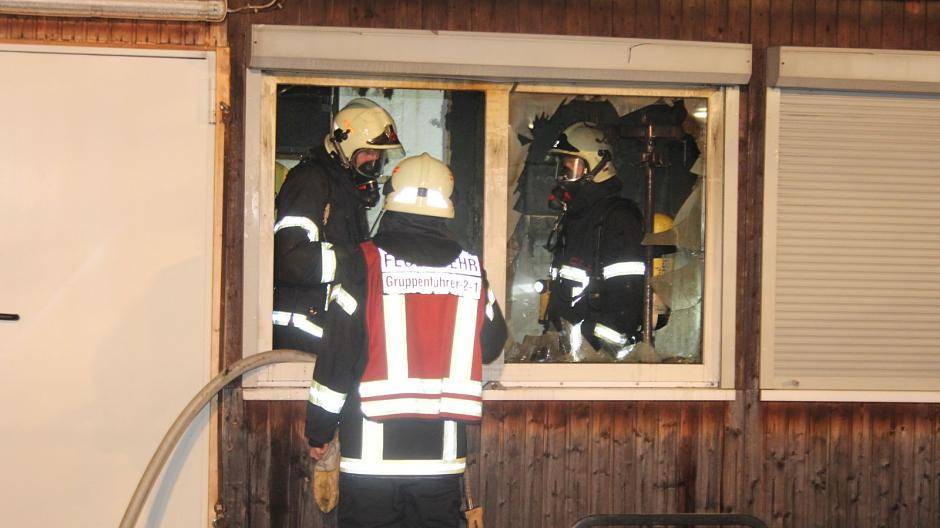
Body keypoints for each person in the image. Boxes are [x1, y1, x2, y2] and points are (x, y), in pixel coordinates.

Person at [307, 153, 508, 527]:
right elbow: (494, 342)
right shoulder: (471, 269)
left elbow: (337, 356)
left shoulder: (363, 264)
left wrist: (318, 431)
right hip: (441, 460)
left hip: (370, 456)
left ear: (391, 198)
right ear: (448, 205)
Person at [273, 98, 404, 363]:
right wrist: (359, 261)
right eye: (368, 153)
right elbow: (290, 260)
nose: (374, 162)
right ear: (345, 145)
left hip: (328, 333)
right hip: (301, 334)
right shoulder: (310, 181)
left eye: (379, 156)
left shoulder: (342, 185)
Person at [542, 122, 646, 360]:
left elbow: (626, 300)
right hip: (571, 358)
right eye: (563, 167)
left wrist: (597, 354)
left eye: (570, 167)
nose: (564, 176)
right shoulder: (577, 216)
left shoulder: (618, 218)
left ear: (598, 166)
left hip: (601, 363)